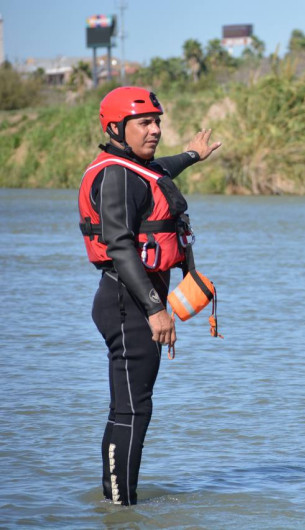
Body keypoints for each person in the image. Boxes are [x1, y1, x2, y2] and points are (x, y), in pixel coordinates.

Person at [78, 86, 221, 505]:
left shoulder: (134, 168)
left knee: (133, 408)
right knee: (131, 410)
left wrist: (192, 155)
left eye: (157, 121)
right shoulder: (117, 176)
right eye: (144, 123)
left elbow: (160, 170)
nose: (155, 129)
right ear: (115, 129)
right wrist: (156, 310)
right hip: (127, 302)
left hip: (134, 300)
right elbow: (121, 246)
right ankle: (120, 509)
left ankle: (118, 503)